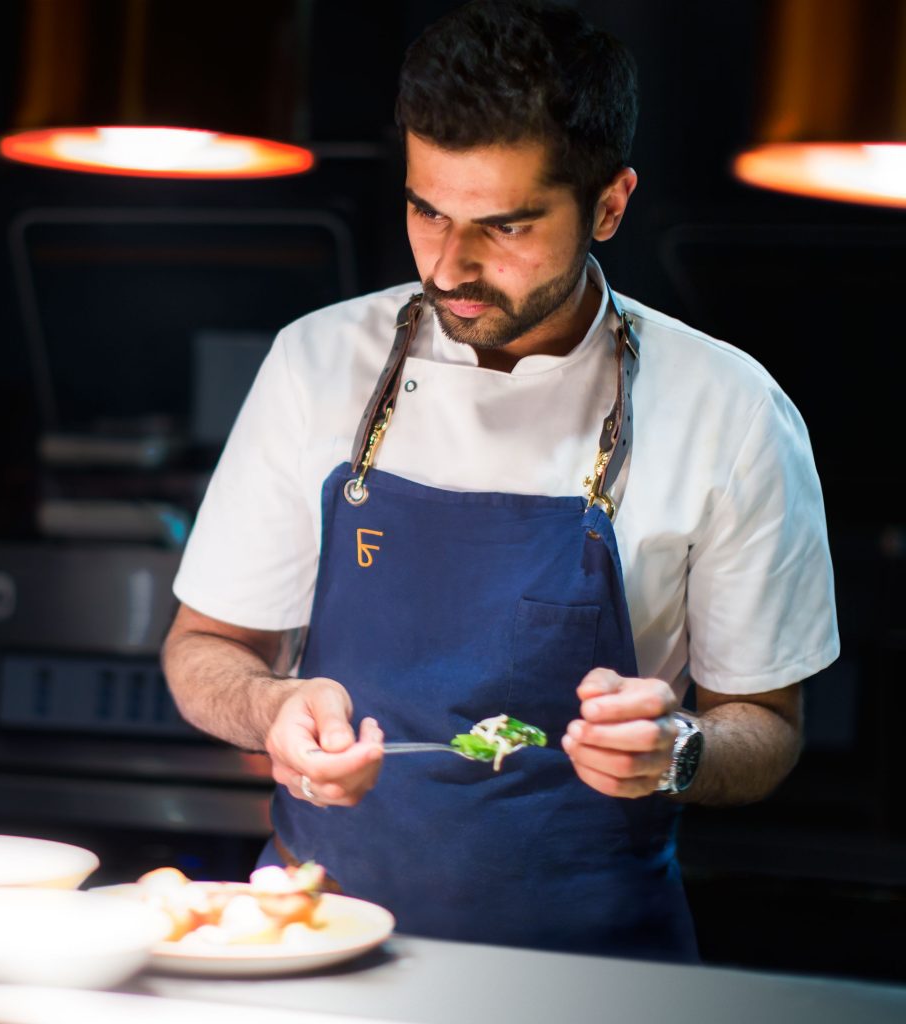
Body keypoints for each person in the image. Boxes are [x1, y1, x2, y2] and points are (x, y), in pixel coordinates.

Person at [163, 0, 838, 962]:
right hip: (320, 948)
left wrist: (679, 749)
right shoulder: (316, 363)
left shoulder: (730, 411)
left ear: (609, 205)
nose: (451, 266)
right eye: (427, 211)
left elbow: (766, 726)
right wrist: (269, 709)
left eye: (507, 225)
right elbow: (204, 649)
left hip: (597, 974)